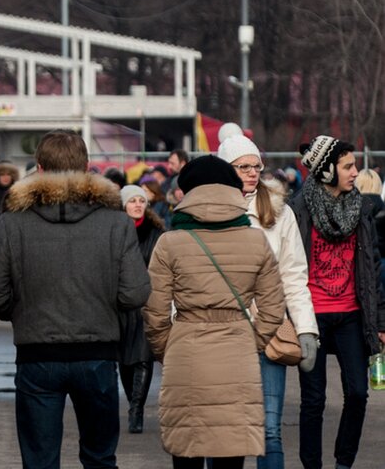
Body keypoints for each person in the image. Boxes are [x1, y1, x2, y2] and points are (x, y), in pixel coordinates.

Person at [0, 130, 151, 468]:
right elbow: (135, 292)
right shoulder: (116, 223)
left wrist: (23, 308)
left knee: (40, 460)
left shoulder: (13, 223)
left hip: (37, 352)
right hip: (98, 350)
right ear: (87, 168)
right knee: (100, 458)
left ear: (39, 170)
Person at [143, 155, 286, 469]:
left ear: (187, 192)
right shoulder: (255, 240)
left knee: (187, 451)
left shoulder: (170, 243)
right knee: (230, 453)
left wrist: (166, 347)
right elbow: (274, 307)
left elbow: (153, 311)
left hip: (186, 350)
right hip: (238, 350)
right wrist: (254, 341)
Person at [217, 134, 319, 469]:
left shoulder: (278, 211)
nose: (250, 172)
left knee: (270, 429)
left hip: (269, 330)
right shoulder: (210, 210)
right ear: (225, 168)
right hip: (223, 333)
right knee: (224, 431)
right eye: (242, 166)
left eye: (255, 166)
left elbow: (294, 275)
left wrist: (306, 330)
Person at [289, 136, 385, 469]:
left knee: (358, 393)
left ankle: (344, 462)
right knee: (313, 400)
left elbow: (372, 267)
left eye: (354, 165)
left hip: (350, 315)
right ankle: (311, 465)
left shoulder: (361, 208)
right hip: (311, 316)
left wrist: (381, 321)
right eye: (347, 166)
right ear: (327, 170)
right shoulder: (298, 208)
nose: (355, 172)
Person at [118, 185, 163, 435]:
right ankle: (131, 400)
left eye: (141, 201)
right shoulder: (114, 231)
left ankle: (137, 410)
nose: (137, 205)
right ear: (123, 205)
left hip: (147, 300)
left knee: (143, 357)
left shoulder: (155, 233)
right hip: (120, 302)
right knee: (125, 360)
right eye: (132, 201)